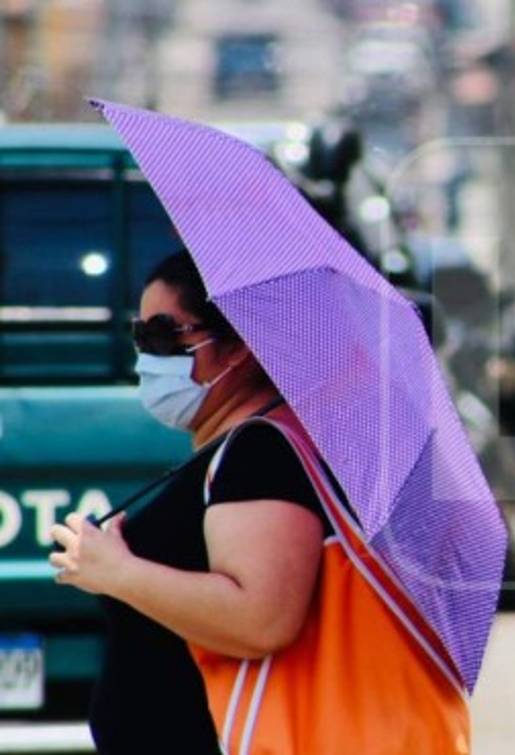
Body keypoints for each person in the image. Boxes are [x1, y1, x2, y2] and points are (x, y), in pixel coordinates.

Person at [49, 251, 333, 753]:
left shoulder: (259, 453)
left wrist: (118, 572)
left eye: (164, 336)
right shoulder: (233, 451)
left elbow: (262, 619)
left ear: (237, 346)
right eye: (140, 336)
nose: (146, 358)